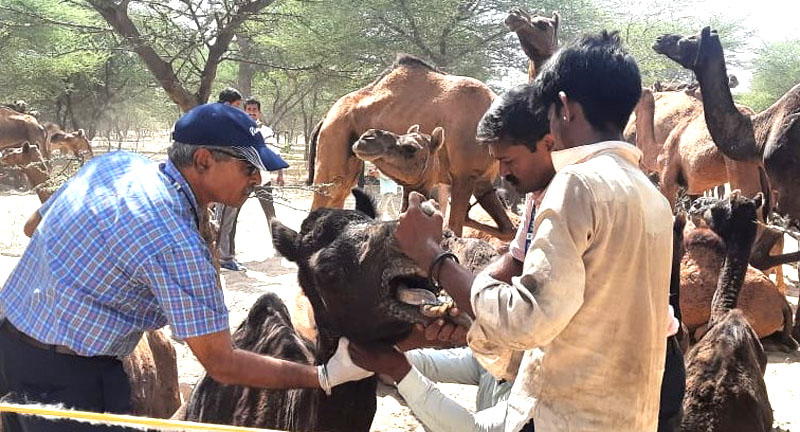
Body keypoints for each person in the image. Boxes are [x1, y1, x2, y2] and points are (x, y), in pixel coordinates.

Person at [352, 31, 675, 431]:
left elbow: (527, 320)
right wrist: (473, 320)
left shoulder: (576, 186)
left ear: (564, 108)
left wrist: (433, 257)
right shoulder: (653, 197)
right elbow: (580, 321)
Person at [0, 102, 372, 432]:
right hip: (71, 379)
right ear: (204, 160)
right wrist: (322, 376)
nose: (256, 180)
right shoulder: (177, 241)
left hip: (11, 341)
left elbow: (33, 227)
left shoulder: (114, 165)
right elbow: (222, 363)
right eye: (247, 168)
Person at [244, 97, 284, 236]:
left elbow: (275, 153)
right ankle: (227, 251)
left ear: (259, 112)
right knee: (231, 215)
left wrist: (280, 174)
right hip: (241, 179)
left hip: (262, 178)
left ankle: (278, 244)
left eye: (254, 110)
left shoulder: (266, 131)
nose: (251, 112)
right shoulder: (238, 129)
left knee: (270, 212)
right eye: (248, 110)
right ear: (244, 111)